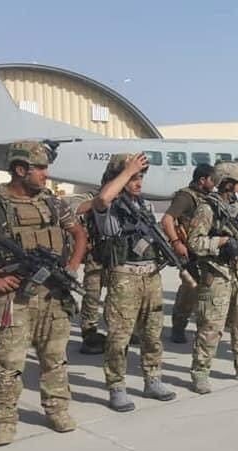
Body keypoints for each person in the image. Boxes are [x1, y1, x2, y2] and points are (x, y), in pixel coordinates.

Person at [0, 141, 87, 446]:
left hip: (53, 293)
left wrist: (72, 267)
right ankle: (5, 420)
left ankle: (57, 409)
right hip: (12, 298)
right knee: (9, 362)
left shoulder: (52, 202)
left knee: (55, 358)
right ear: (21, 169)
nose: (46, 174)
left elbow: (79, 233)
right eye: (40, 168)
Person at [92, 153, 177, 412]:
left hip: (150, 275)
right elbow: (102, 199)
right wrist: (126, 171)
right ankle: (117, 387)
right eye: (133, 178)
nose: (138, 182)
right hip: (124, 276)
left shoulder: (144, 205)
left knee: (152, 334)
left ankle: (153, 379)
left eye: (140, 177)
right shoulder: (108, 203)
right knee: (119, 337)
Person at [187, 162, 238, 393]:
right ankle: (200, 372)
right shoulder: (207, 209)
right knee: (211, 327)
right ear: (226, 183)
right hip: (217, 276)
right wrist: (221, 242)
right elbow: (194, 242)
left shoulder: (237, 207)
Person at [162, 163, 216, 343]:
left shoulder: (207, 197)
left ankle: (203, 328)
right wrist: (176, 242)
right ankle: (178, 326)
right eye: (212, 179)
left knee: (207, 291)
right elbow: (167, 220)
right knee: (189, 290)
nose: (215, 183)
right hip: (189, 252)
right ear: (202, 180)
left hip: (204, 249)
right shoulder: (186, 197)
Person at [65, 189, 106, 354]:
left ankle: (119, 329)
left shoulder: (129, 201)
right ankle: (89, 332)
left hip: (117, 255)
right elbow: (74, 209)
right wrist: (103, 200)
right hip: (95, 254)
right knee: (92, 293)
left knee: (119, 294)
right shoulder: (87, 197)